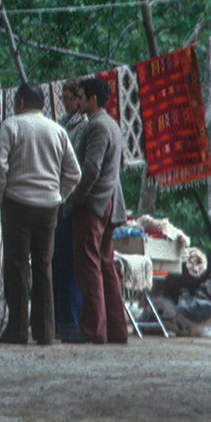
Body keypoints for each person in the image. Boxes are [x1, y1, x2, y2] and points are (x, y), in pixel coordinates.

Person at [0, 83, 81, 345]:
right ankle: (45, 332)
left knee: (16, 266)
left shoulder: (12, 126)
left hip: (17, 203)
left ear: (19, 103)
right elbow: (74, 172)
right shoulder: (57, 130)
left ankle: (17, 330)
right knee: (43, 266)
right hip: (49, 207)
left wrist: (1, 195)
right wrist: (59, 195)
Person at [67, 75, 128, 344]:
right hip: (107, 204)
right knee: (104, 266)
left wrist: (76, 198)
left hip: (95, 205)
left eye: (80, 97)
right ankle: (116, 330)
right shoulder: (111, 125)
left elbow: (91, 168)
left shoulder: (98, 126)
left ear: (93, 99)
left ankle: (93, 331)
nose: (77, 102)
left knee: (89, 266)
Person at [52, 80, 86, 341]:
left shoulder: (83, 126)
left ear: (79, 99)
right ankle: (58, 317)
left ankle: (72, 320)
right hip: (58, 200)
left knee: (71, 263)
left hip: (72, 198)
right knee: (57, 261)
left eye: (69, 97)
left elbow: (76, 164)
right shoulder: (61, 122)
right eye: (62, 96)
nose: (65, 101)